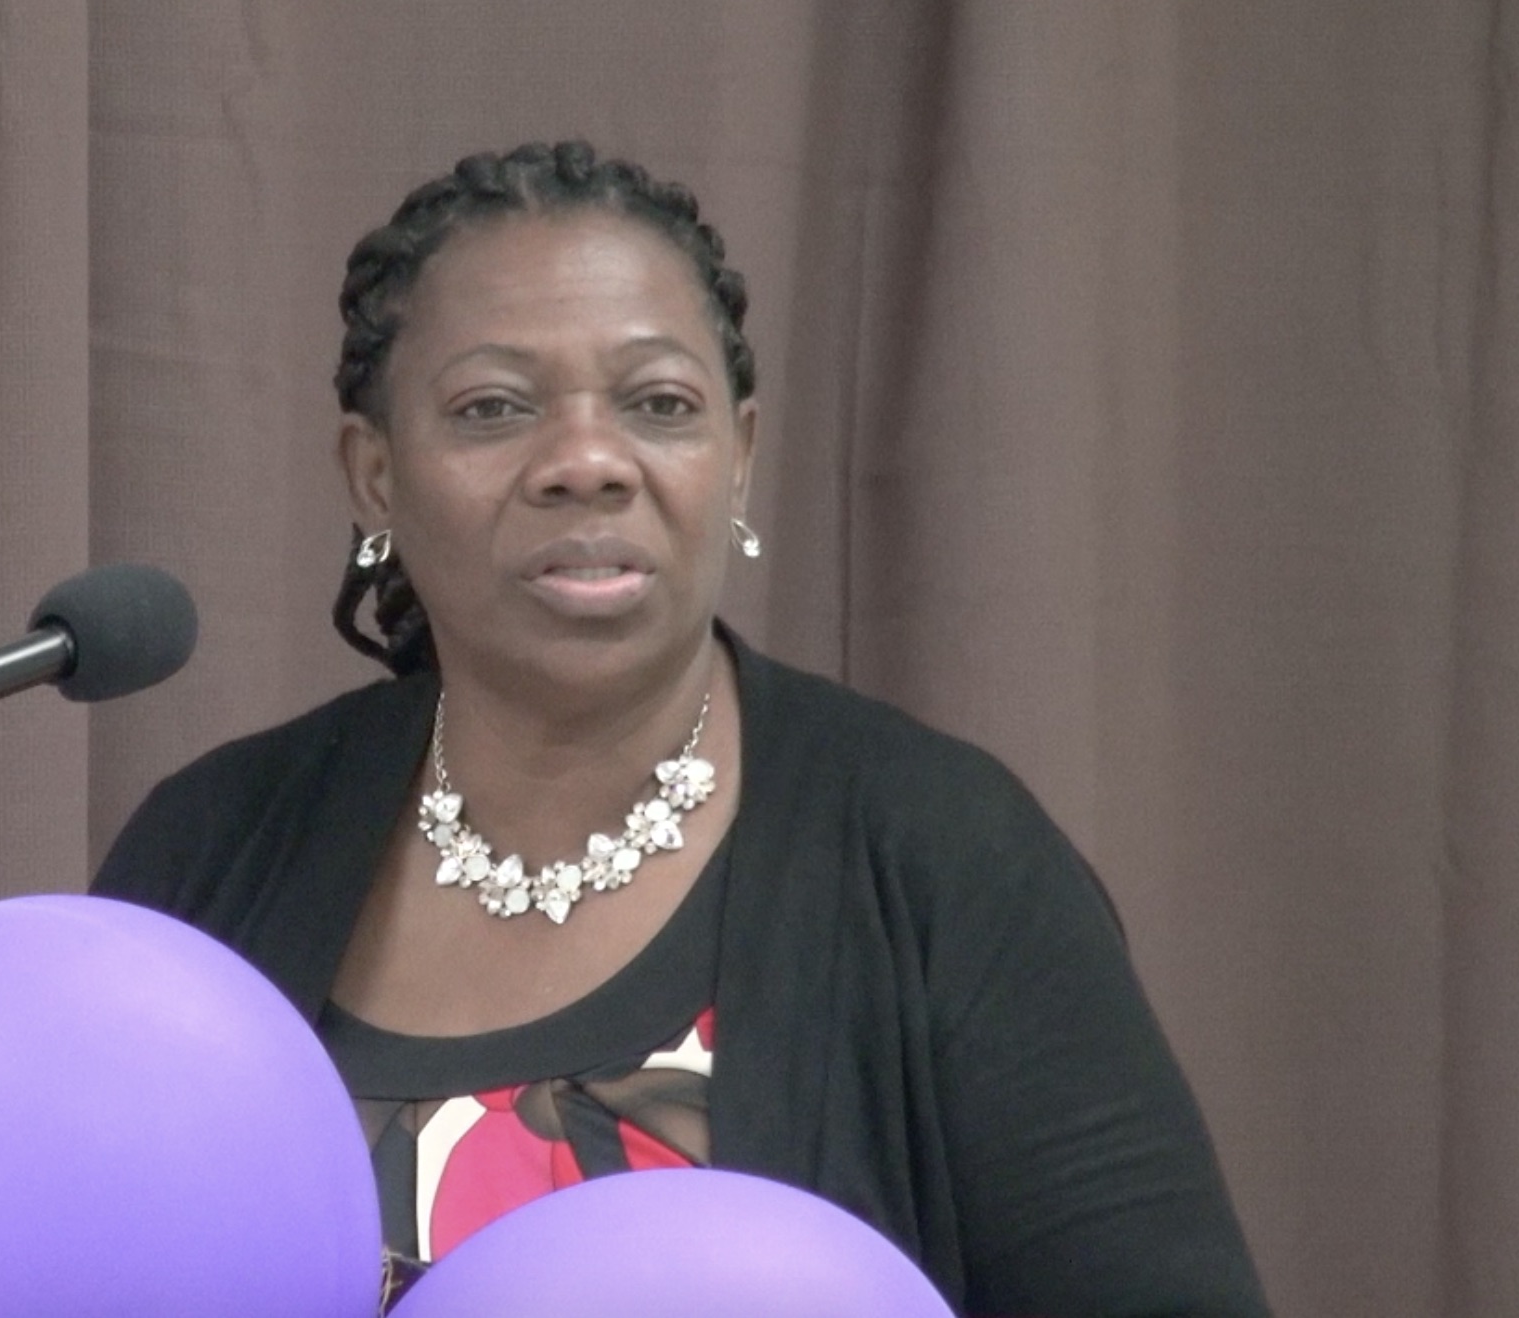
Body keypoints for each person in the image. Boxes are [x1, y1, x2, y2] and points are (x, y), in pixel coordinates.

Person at [93, 141, 1269, 1316]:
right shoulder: (215, 852)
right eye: (494, 408)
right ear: (375, 476)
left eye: (659, 405)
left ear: (739, 458)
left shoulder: (949, 863)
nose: (587, 463)